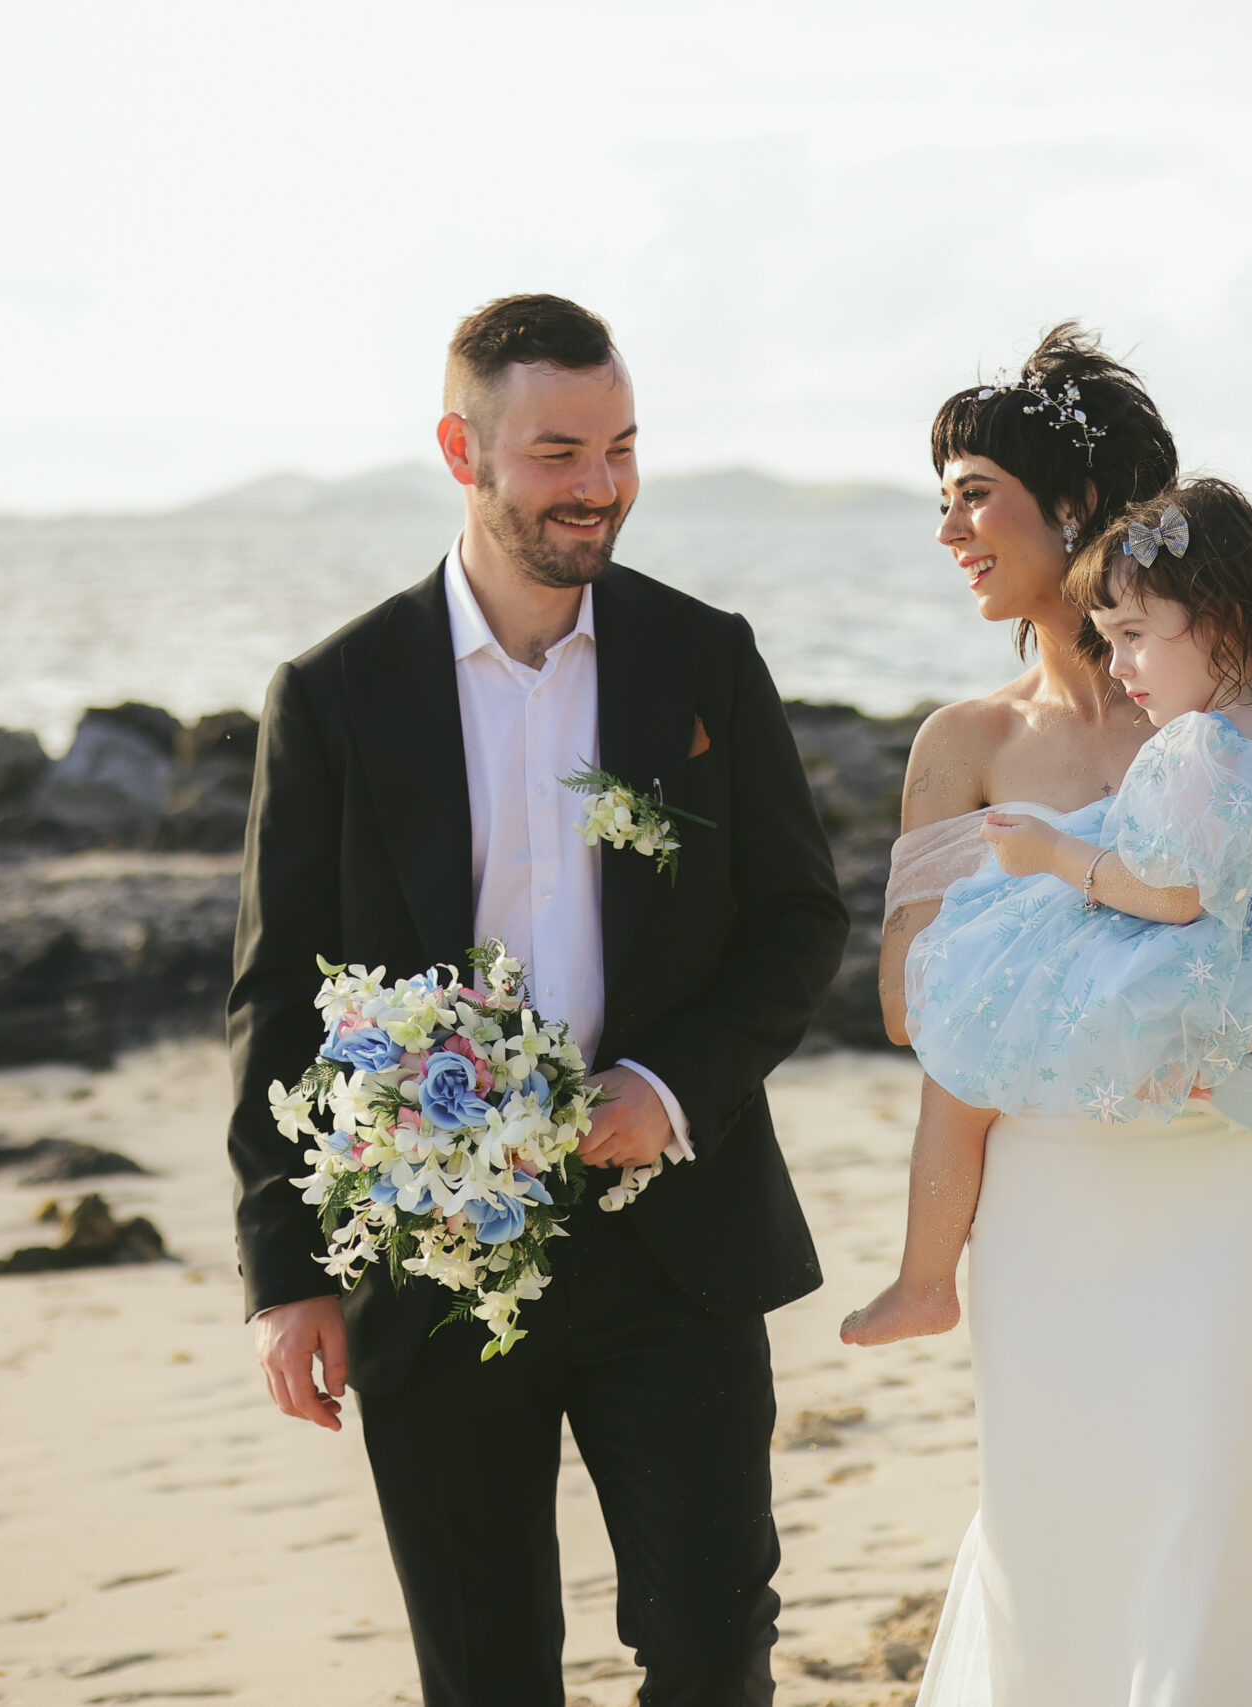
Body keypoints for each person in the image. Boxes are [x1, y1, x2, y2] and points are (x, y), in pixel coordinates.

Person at [225, 294, 848, 1707]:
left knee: (713, 1644)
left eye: (622, 446)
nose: (601, 485)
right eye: (560, 450)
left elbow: (800, 917)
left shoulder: (704, 659)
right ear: (465, 449)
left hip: (675, 1245)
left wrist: (674, 1086)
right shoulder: (332, 694)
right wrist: (288, 1268)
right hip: (430, 1257)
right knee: (486, 1668)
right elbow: (276, 996)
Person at [866, 329, 1252, 1705]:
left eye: (976, 491)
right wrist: (1108, 939)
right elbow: (905, 997)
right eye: (941, 495)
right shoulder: (965, 743)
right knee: (1051, 1531)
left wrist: (1223, 1034)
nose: (949, 526)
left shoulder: (1248, 730)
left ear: (1079, 511)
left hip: (1228, 1183)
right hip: (1047, 1203)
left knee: (1213, 1526)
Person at [841, 479, 1252, 1389]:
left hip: (1220, 967)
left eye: (1133, 635)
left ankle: (925, 1277)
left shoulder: (1203, 750)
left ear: (1227, 622)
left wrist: (1055, 854)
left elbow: (1171, 896)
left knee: (973, 1037)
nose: (1119, 663)